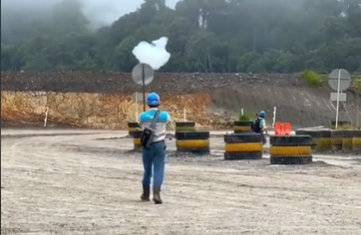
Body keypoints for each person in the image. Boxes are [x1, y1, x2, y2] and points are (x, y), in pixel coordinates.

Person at [139, 92, 171, 204]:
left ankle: (146, 194)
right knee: (159, 170)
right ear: (159, 102)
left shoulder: (142, 116)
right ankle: (157, 193)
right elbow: (169, 123)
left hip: (147, 146)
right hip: (159, 145)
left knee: (147, 170)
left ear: (148, 104)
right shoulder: (165, 116)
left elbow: (140, 126)